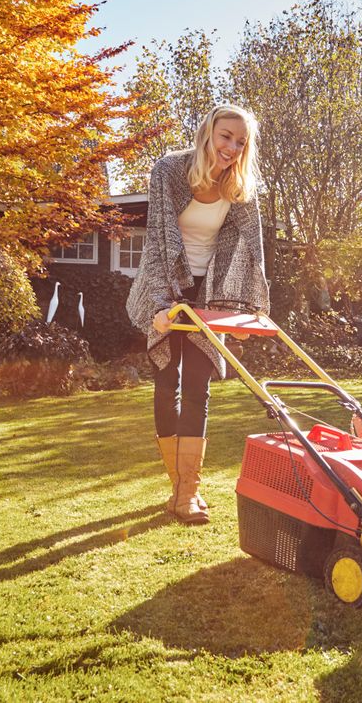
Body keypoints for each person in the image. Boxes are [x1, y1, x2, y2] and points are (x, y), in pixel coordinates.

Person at [125, 104, 270, 525]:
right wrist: (158, 306)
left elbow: (252, 253)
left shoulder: (241, 188)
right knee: (168, 380)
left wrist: (250, 311)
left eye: (241, 142)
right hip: (169, 286)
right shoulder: (170, 171)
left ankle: (188, 490)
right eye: (226, 136)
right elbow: (155, 242)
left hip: (212, 293)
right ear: (208, 132)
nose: (232, 147)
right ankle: (179, 488)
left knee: (198, 385)